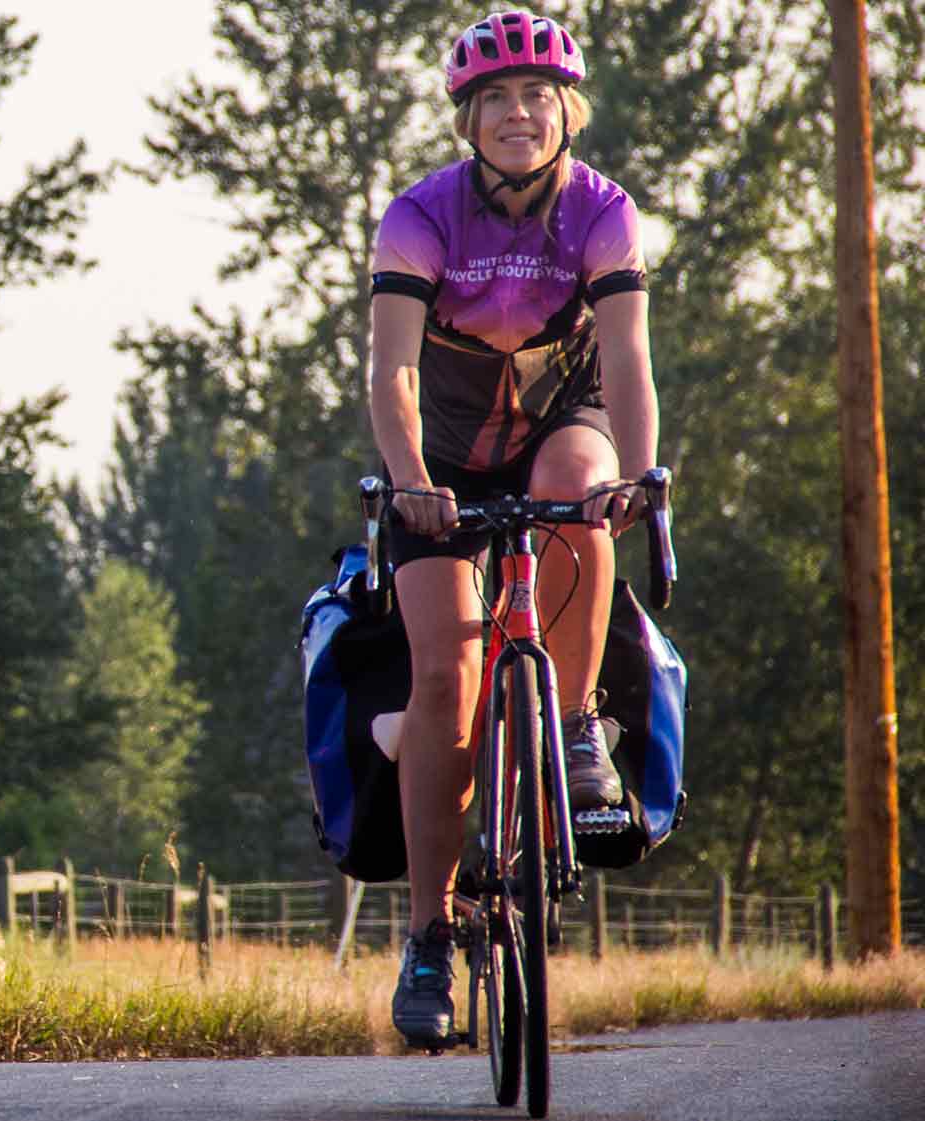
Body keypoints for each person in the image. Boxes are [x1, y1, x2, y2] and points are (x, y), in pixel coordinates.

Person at [365, 11, 657, 1047]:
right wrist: (407, 480)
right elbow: (391, 369)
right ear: (467, 117)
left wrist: (635, 469)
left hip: (557, 425)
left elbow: (624, 358)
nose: (516, 112)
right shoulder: (419, 215)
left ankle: (575, 728)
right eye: (494, 97)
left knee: (582, 491)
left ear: (565, 110)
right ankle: (428, 936)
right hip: (437, 457)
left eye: (535, 95)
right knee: (443, 674)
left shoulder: (603, 212)